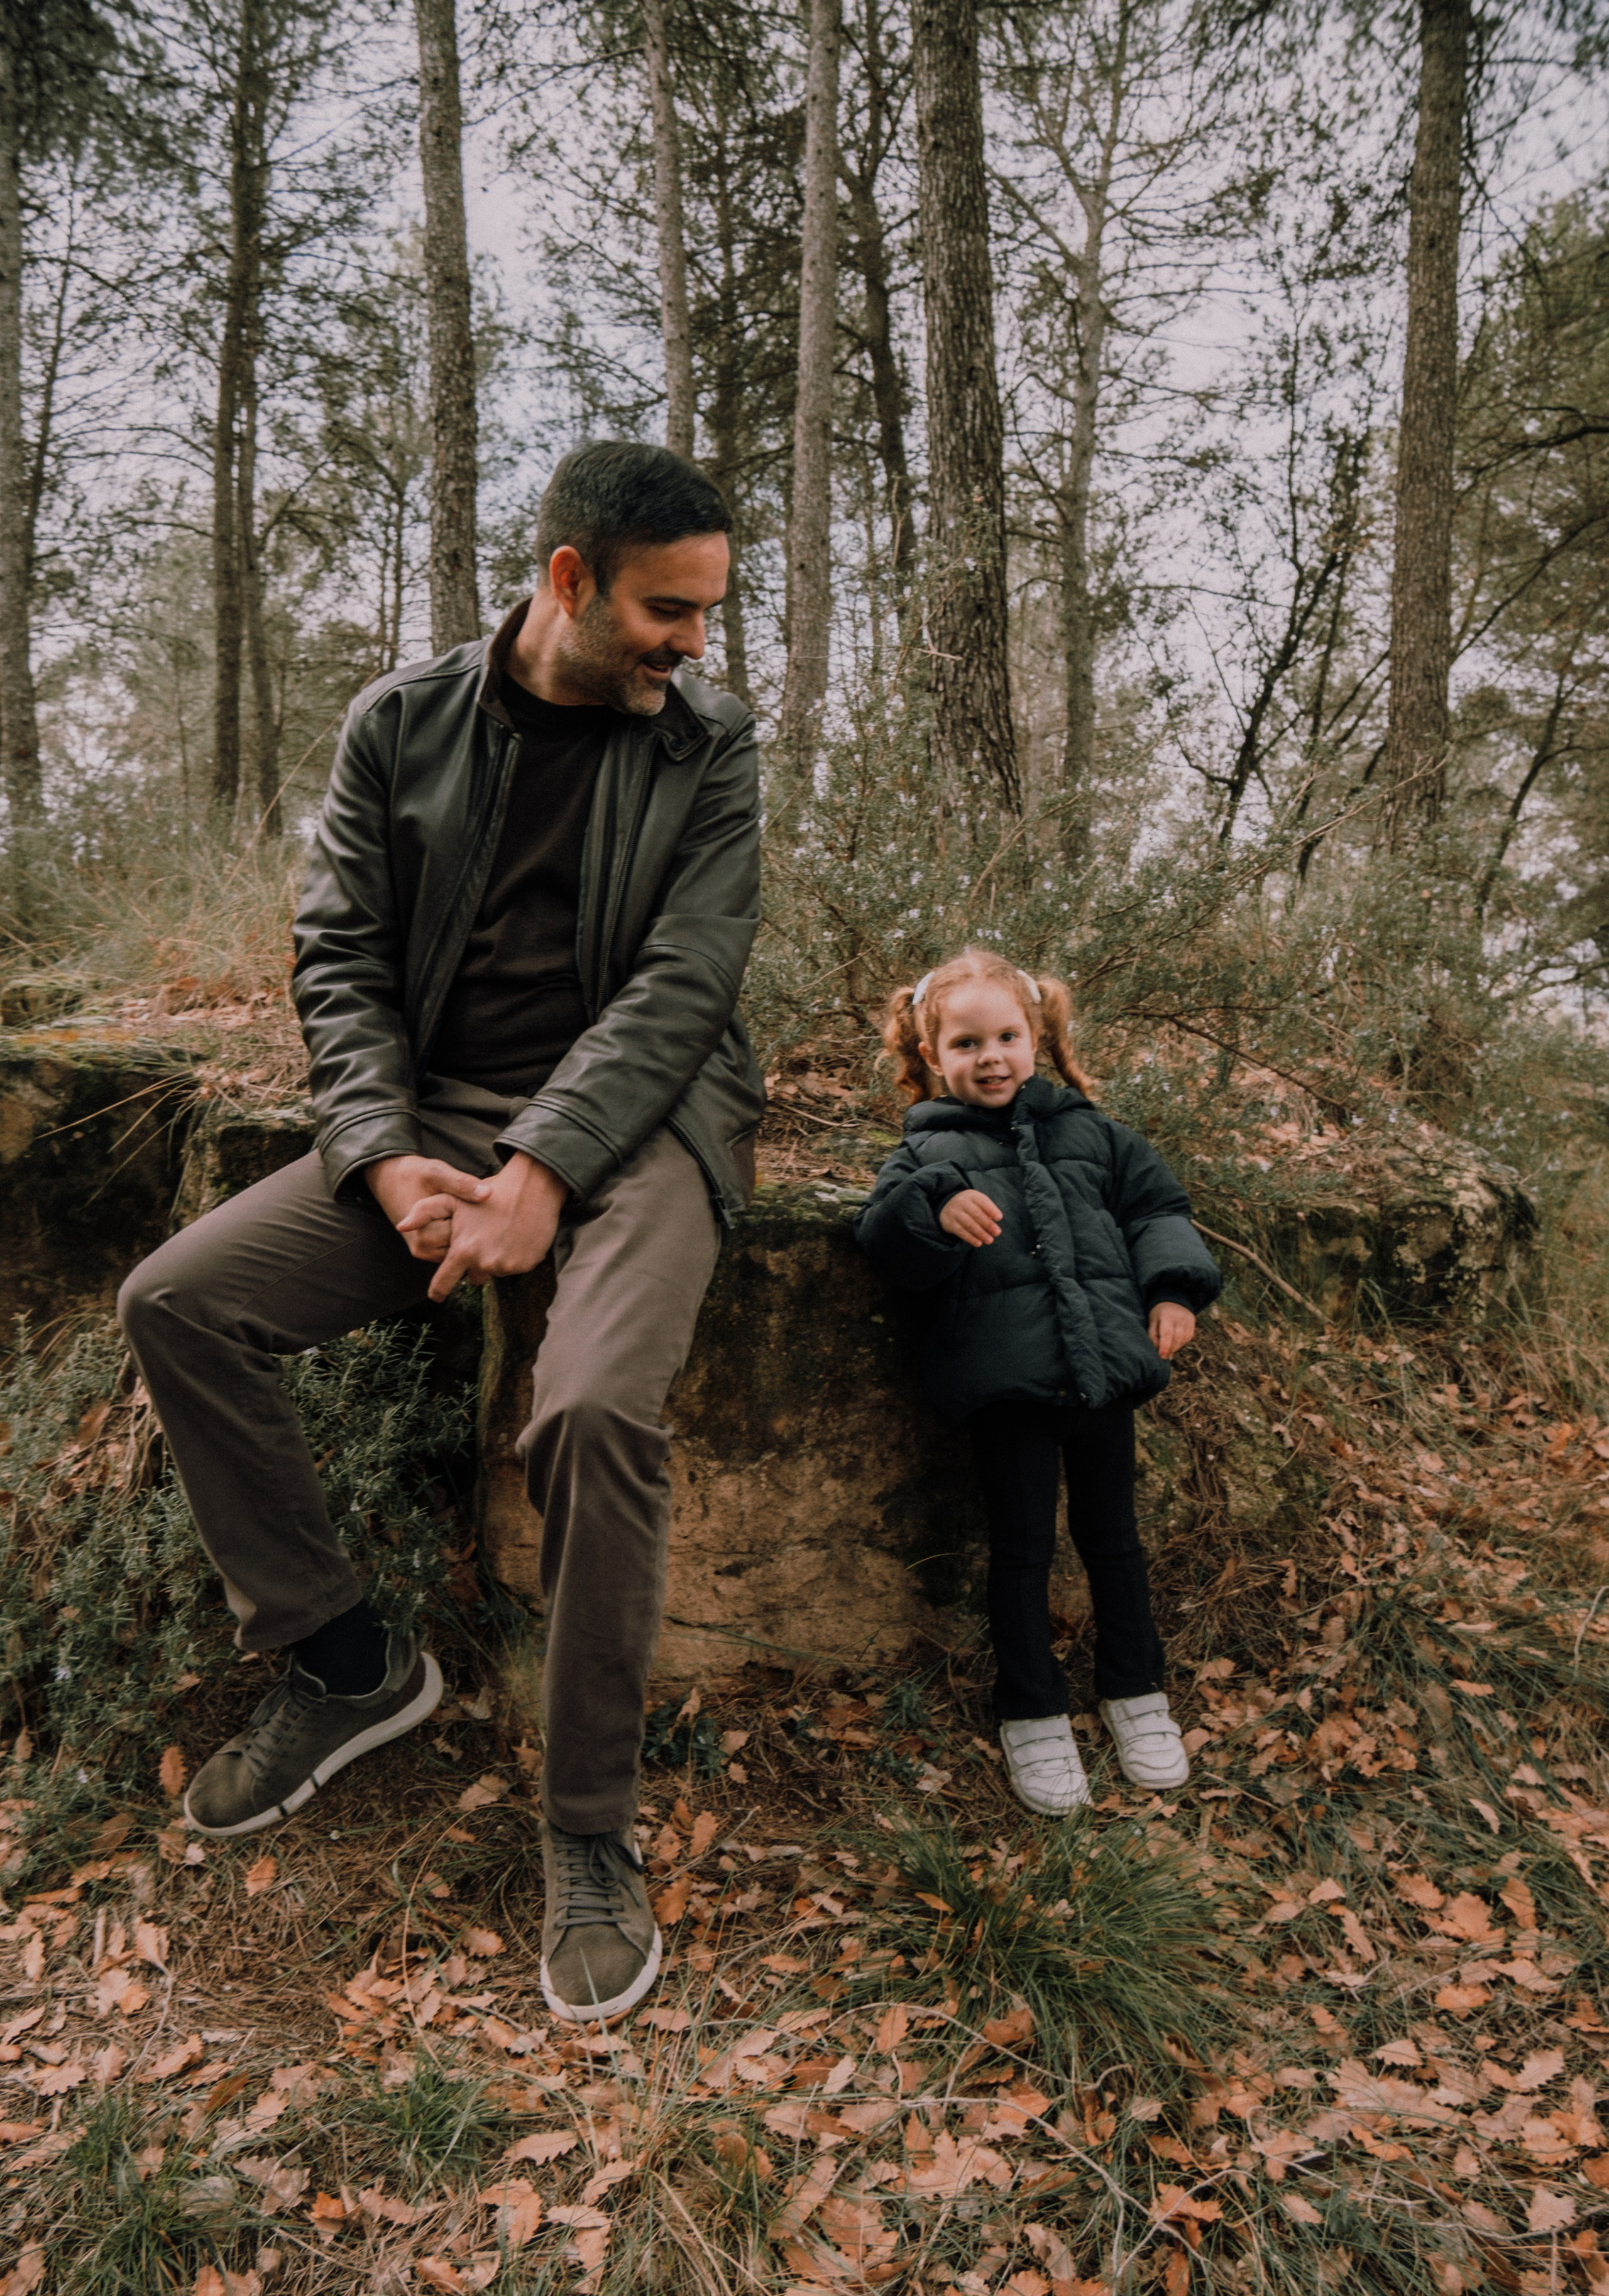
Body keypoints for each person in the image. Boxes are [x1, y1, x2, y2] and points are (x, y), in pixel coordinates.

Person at [117, 439, 764, 2025]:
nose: (693, 647)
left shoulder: (711, 746)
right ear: (568, 581)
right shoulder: (397, 723)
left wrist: (546, 1164)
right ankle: (349, 1666)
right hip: (439, 1111)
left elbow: (686, 984)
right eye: (668, 612)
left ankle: (589, 1831)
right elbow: (337, 957)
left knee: (596, 1408)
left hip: (649, 1122)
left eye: (706, 615)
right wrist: (384, 1150)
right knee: (179, 1301)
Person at [852, 949, 1222, 1815]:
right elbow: (882, 1236)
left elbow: (1157, 1210)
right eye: (967, 1042)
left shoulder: (1094, 1133)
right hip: (1011, 1388)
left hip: (1106, 1381)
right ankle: (1033, 1711)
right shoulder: (928, 1150)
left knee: (1115, 1543)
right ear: (933, 1055)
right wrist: (934, 1210)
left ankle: (1137, 1693)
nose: (991, 1057)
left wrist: (1171, 1292)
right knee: (1020, 1553)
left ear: (1039, 1037)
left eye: (1008, 1037)